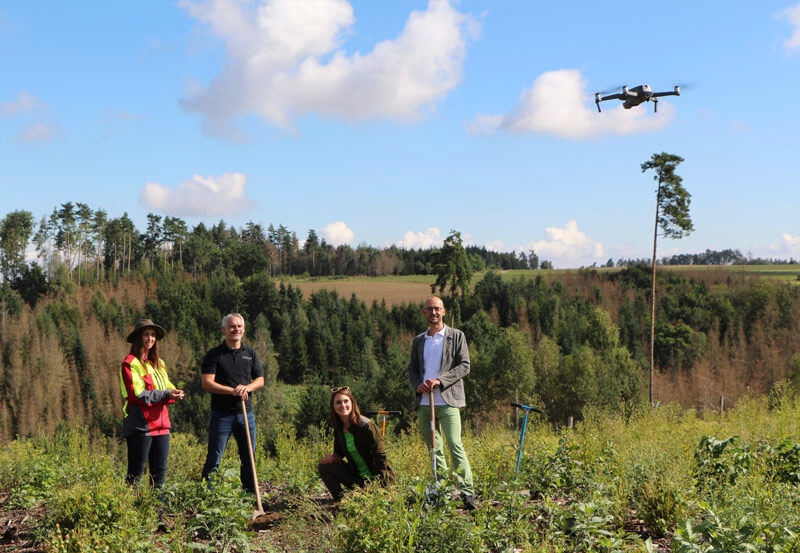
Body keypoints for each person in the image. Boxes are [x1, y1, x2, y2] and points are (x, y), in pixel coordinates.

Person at [407, 296, 476, 510]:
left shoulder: (456, 336)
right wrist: (418, 384)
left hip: (448, 400)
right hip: (425, 404)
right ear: (424, 313)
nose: (433, 312)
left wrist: (440, 381)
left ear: (443, 312)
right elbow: (412, 369)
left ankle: (467, 492)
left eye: (437, 309)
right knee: (434, 449)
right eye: (429, 309)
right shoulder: (419, 340)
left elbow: (464, 365)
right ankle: (442, 491)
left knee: (455, 445)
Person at [201, 313, 264, 493]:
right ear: (224, 330)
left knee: (249, 458)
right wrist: (232, 391)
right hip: (222, 415)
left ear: (243, 329)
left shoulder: (250, 354)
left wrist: (247, 388)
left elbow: (260, 380)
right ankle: (207, 497)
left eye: (239, 326)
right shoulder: (214, 355)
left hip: (246, 414)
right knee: (214, 457)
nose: (236, 329)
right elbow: (207, 383)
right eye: (232, 326)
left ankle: (251, 497)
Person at [119, 319, 184, 487]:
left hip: (162, 426)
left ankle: (158, 512)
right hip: (140, 427)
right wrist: (166, 394)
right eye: (146, 334)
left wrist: (175, 393)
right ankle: (129, 511)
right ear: (138, 338)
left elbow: (167, 387)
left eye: (153, 335)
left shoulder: (159, 364)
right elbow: (138, 395)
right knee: (135, 475)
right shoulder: (129, 364)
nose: (150, 338)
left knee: (159, 476)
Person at [318, 386, 395, 501]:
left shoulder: (366, 426)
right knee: (324, 467)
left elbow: (381, 457)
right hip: (358, 478)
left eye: (346, 401)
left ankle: (370, 494)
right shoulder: (339, 429)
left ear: (352, 403)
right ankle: (342, 502)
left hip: (377, 480)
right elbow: (338, 454)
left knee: (371, 499)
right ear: (333, 407)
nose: (343, 405)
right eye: (338, 402)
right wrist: (331, 459)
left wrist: (375, 484)